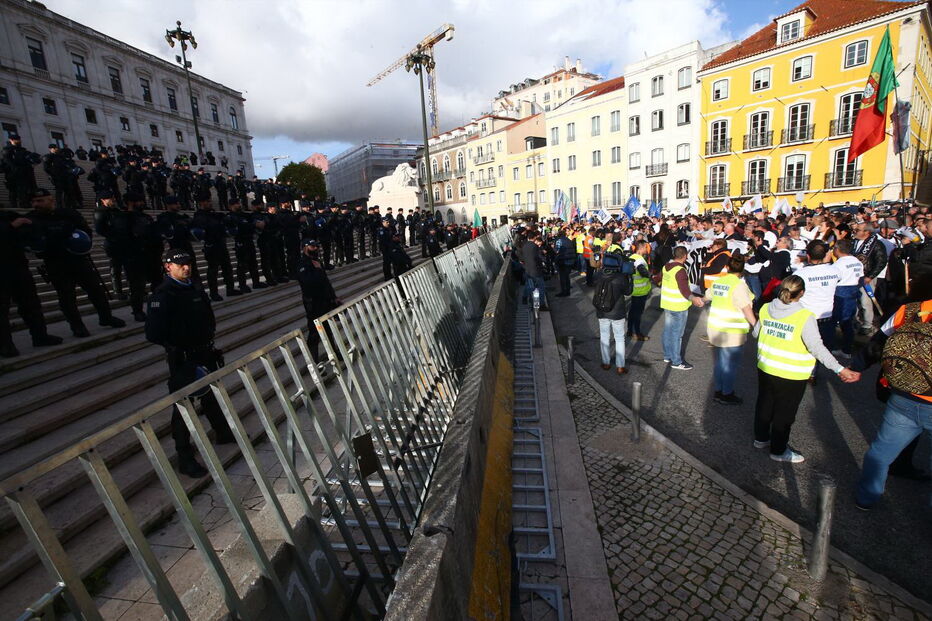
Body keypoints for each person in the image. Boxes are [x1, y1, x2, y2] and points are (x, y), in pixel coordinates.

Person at [145, 250, 235, 477]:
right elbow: (154, 333)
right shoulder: (163, 294)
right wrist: (176, 345)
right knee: (183, 406)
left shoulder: (194, 287)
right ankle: (184, 457)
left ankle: (222, 432)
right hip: (183, 357)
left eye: (188, 264)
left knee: (211, 395)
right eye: (180, 264)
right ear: (168, 267)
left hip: (205, 351)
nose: (186, 267)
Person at [752, 276, 859, 463]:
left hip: (766, 366)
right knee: (784, 413)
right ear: (801, 293)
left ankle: (761, 438)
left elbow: (756, 332)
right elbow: (816, 347)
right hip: (791, 373)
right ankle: (778, 450)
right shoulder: (804, 316)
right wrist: (839, 368)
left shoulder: (765, 308)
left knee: (765, 404)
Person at [854, 286, 932, 510]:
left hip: (903, 395)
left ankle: (866, 497)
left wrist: (857, 367)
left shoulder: (911, 310)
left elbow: (878, 342)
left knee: (880, 453)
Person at [27, 188, 125, 336]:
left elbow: (86, 231)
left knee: (96, 290)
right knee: (66, 297)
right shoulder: (31, 219)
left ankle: (106, 317)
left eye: (40, 201)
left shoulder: (68, 214)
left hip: (78, 259)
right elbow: (34, 242)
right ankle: (77, 326)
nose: (36, 204)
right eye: (34, 201)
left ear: (51, 200)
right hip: (55, 262)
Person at [0, 210, 63, 356]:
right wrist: (11, 226)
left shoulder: (6, 215)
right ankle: (5, 345)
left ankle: (40, 335)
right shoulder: (7, 224)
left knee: (31, 303)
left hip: (18, 266)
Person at [705, 255, 756, 404]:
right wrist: (756, 325)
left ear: (727, 267)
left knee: (720, 362)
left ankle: (718, 390)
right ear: (742, 269)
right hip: (733, 331)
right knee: (730, 365)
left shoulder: (719, 281)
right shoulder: (739, 285)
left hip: (716, 327)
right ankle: (726, 393)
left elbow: (707, 296)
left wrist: (699, 300)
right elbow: (746, 307)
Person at [795, 240, 842, 382]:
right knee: (819, 347)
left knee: (804, 346)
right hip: (827, 316)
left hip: (806, 317)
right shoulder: (835, 271)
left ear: (808, 256)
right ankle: (813, 373)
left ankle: (805, 372)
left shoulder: (801, 273)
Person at [296, 239, 340, 361]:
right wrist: (318, 270)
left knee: (328, 329)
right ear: (305, 248)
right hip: (313, 303)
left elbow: (326, 282)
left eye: (316, 246)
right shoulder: (302, 264)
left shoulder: (316, 262)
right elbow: (308, 283)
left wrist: (334, 297)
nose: (316, 248)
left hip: (324, 300)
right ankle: (313, 360)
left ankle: (334, 353)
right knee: (314, 332)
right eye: (312, 246)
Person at [660, 246, 704, 370]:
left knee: (668, 331)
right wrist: (694, 299)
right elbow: (684, 290)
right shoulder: (680, 270)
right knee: (677, 335)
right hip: (678, 306)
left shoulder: (666, 267)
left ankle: (667, 355)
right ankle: (676, 361)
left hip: (667, 303)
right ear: (685, 256)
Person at [192, 198, 240, 301]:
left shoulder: (213, 214)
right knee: (213, 270)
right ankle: (214, 293)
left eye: (209, 201)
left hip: (221, 244)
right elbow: (207, 228)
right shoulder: (199, 216)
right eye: (207, 201)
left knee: (227, 267)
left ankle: (230, 289)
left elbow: (224, 221)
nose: (210, 203)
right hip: (212, 246)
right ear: (201, 203)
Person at [594, 250, 630, 374]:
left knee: (604, 336)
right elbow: (628, 291)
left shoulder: (599, 274)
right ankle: (620, 366)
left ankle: (606, 363)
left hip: (602, 310)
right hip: (617, 312)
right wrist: (629, 276)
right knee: (619, 338)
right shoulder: (620, 277)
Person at [227, 197, 268, 292]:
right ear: (231, 206)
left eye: (239, 203)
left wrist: (255, 223)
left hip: (249, 240)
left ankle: (256, 282)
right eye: (236, 204)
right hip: (241, 242)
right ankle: (242, 285)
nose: (239, 205)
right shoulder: (231, 217)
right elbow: (240, 227)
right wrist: (251, 225)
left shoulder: (244, 215)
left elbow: (252, 221)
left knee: (253, 263)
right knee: (242, 265)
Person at [831, 239, 864, 357]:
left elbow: (834, 280)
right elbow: (861, 279)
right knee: (848, 322)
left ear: (838, 250)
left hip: (840, 292)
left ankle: (835, 348)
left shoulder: (838, 264)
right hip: (853, 291)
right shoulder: (857, 261)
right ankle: (847, 348)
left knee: (834, 322)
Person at [853, 223, 888, 333]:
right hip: (854, 276)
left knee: (865, 301)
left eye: (857, 230)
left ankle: (868, 324)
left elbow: (881, 262)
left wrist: (870, 276)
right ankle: (856, 320)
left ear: (866, 232)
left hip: (867, 276)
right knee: (855, 301)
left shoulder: (876, 244)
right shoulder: (854, 242)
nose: (855, 231)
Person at [2, 134, 40, 210]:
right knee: (13, 194)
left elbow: (32, 160)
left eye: (19, 139)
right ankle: (14, 208)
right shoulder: (7, 150)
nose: (18, 141)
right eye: (16, 139)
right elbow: (8, 161)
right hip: (13, 176)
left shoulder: (23, 151)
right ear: (11, 140)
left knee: (25, 193)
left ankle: (25, 206)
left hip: (25, 175)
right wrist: (16, 169)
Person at [627, 240, 652, 341]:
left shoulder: (632, 257)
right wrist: (652, 275)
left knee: (632, 311)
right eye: (646, 247)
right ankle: (637, 333)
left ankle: (630, 331)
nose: (647, 249)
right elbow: (643, 272)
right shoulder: (639, 260)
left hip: (634, 289)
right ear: (641, 248)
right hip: (640, 291)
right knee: (637, 313)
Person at [520, 233, 548, 310]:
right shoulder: (535, 246)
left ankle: (528, 300)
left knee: (530, 286)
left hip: (527, 270)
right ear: (534, 238)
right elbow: (538, 258)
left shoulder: (524, 246)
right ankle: (541, 305)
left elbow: (522, 258)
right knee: (541, 287)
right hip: (536, 270)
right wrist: (542, 264)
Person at [553, 227, 575, 297]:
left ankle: (564, 291)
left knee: (562, 277)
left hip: (563, 261)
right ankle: (567, 291)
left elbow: (557, 251)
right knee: (567, 276)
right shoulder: (568, 240)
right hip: (570, 260)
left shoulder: (559, 241)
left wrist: (553, 248)